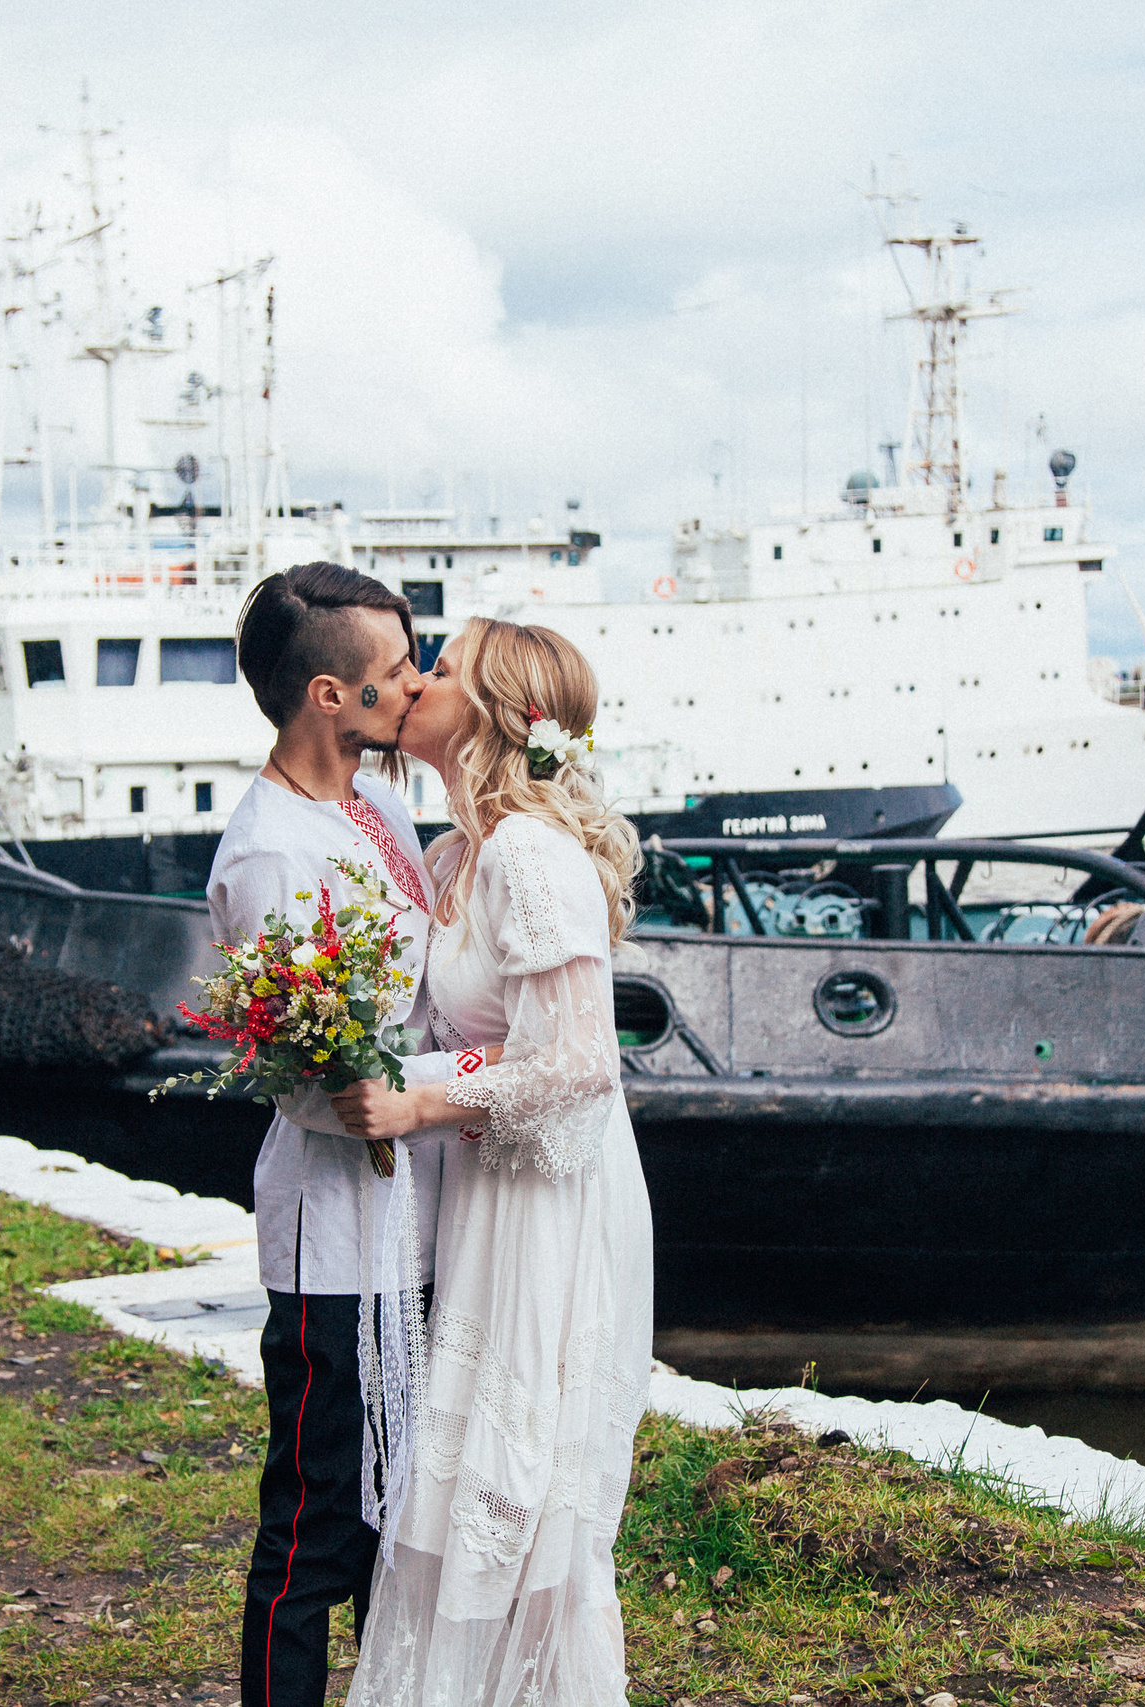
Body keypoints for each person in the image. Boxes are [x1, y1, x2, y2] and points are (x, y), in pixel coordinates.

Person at [329, 616, 653, 1707]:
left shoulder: (528, 852)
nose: (413, 680)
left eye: (443, 667)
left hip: (546, 1199)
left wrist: (416, 1100)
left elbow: (576, 1064)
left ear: (496, 713)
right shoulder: (454, 854)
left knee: (509, 1477)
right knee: (464, 1465)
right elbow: (503, 1039)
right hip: (486, 1185)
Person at [210, 562, 495, 1707]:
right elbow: (298, 1075)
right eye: (391, 674)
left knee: (399, 1512)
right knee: (317, 1522)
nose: (414, 685)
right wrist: (456, 1081)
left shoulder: (373, 805)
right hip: (334, 1229)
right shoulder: (273, 849)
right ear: (328, 697)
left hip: (411, 1207)